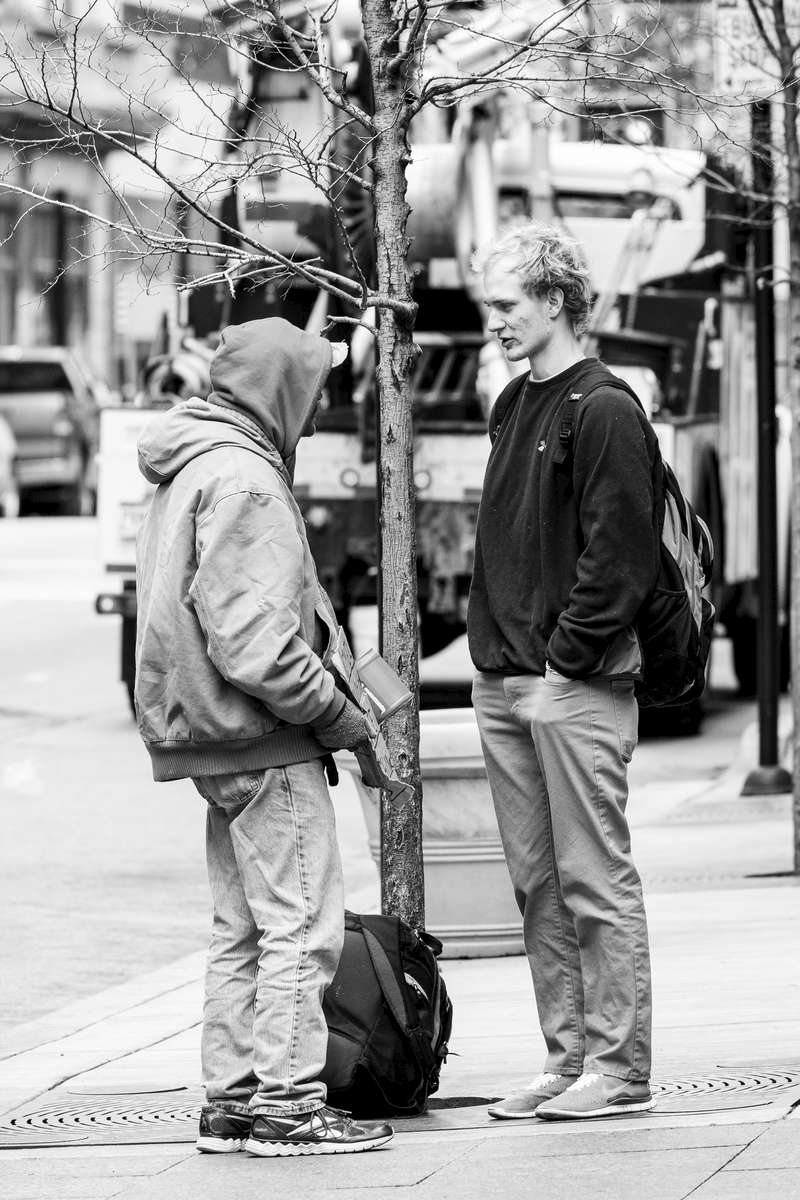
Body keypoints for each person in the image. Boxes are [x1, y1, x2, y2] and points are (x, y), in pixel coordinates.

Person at [134, 317, 394, 1157]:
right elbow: (256, 644)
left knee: (242, 925)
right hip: (263, 738)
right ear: (280, 389)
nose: (317, 416)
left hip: (215, 739)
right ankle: (286, 1107)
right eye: (313, 393)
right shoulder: (246, 478)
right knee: (301, 925)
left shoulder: (196, 464)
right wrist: (342, 719)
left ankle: (234, 1101)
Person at [467, 222, 659, 1122]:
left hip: (570, 685)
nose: (494, 322)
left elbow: (620, 559)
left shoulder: (606, 407)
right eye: (489, 306)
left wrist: (562, 665)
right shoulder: (514, 403)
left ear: (555, 300)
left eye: (506, 305)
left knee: (593, 879)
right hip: (505, 680)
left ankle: (618, 1072)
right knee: (537, 884)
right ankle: (568, 1057)